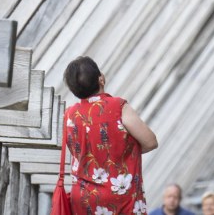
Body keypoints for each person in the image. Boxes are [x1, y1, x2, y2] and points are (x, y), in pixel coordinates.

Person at [63, 56, 159, 214]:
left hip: (84, 200)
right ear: (101, 79)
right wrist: (121, 153)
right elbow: (150, 141)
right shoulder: (118, 107)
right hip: (122, 199)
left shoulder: (70, 115)